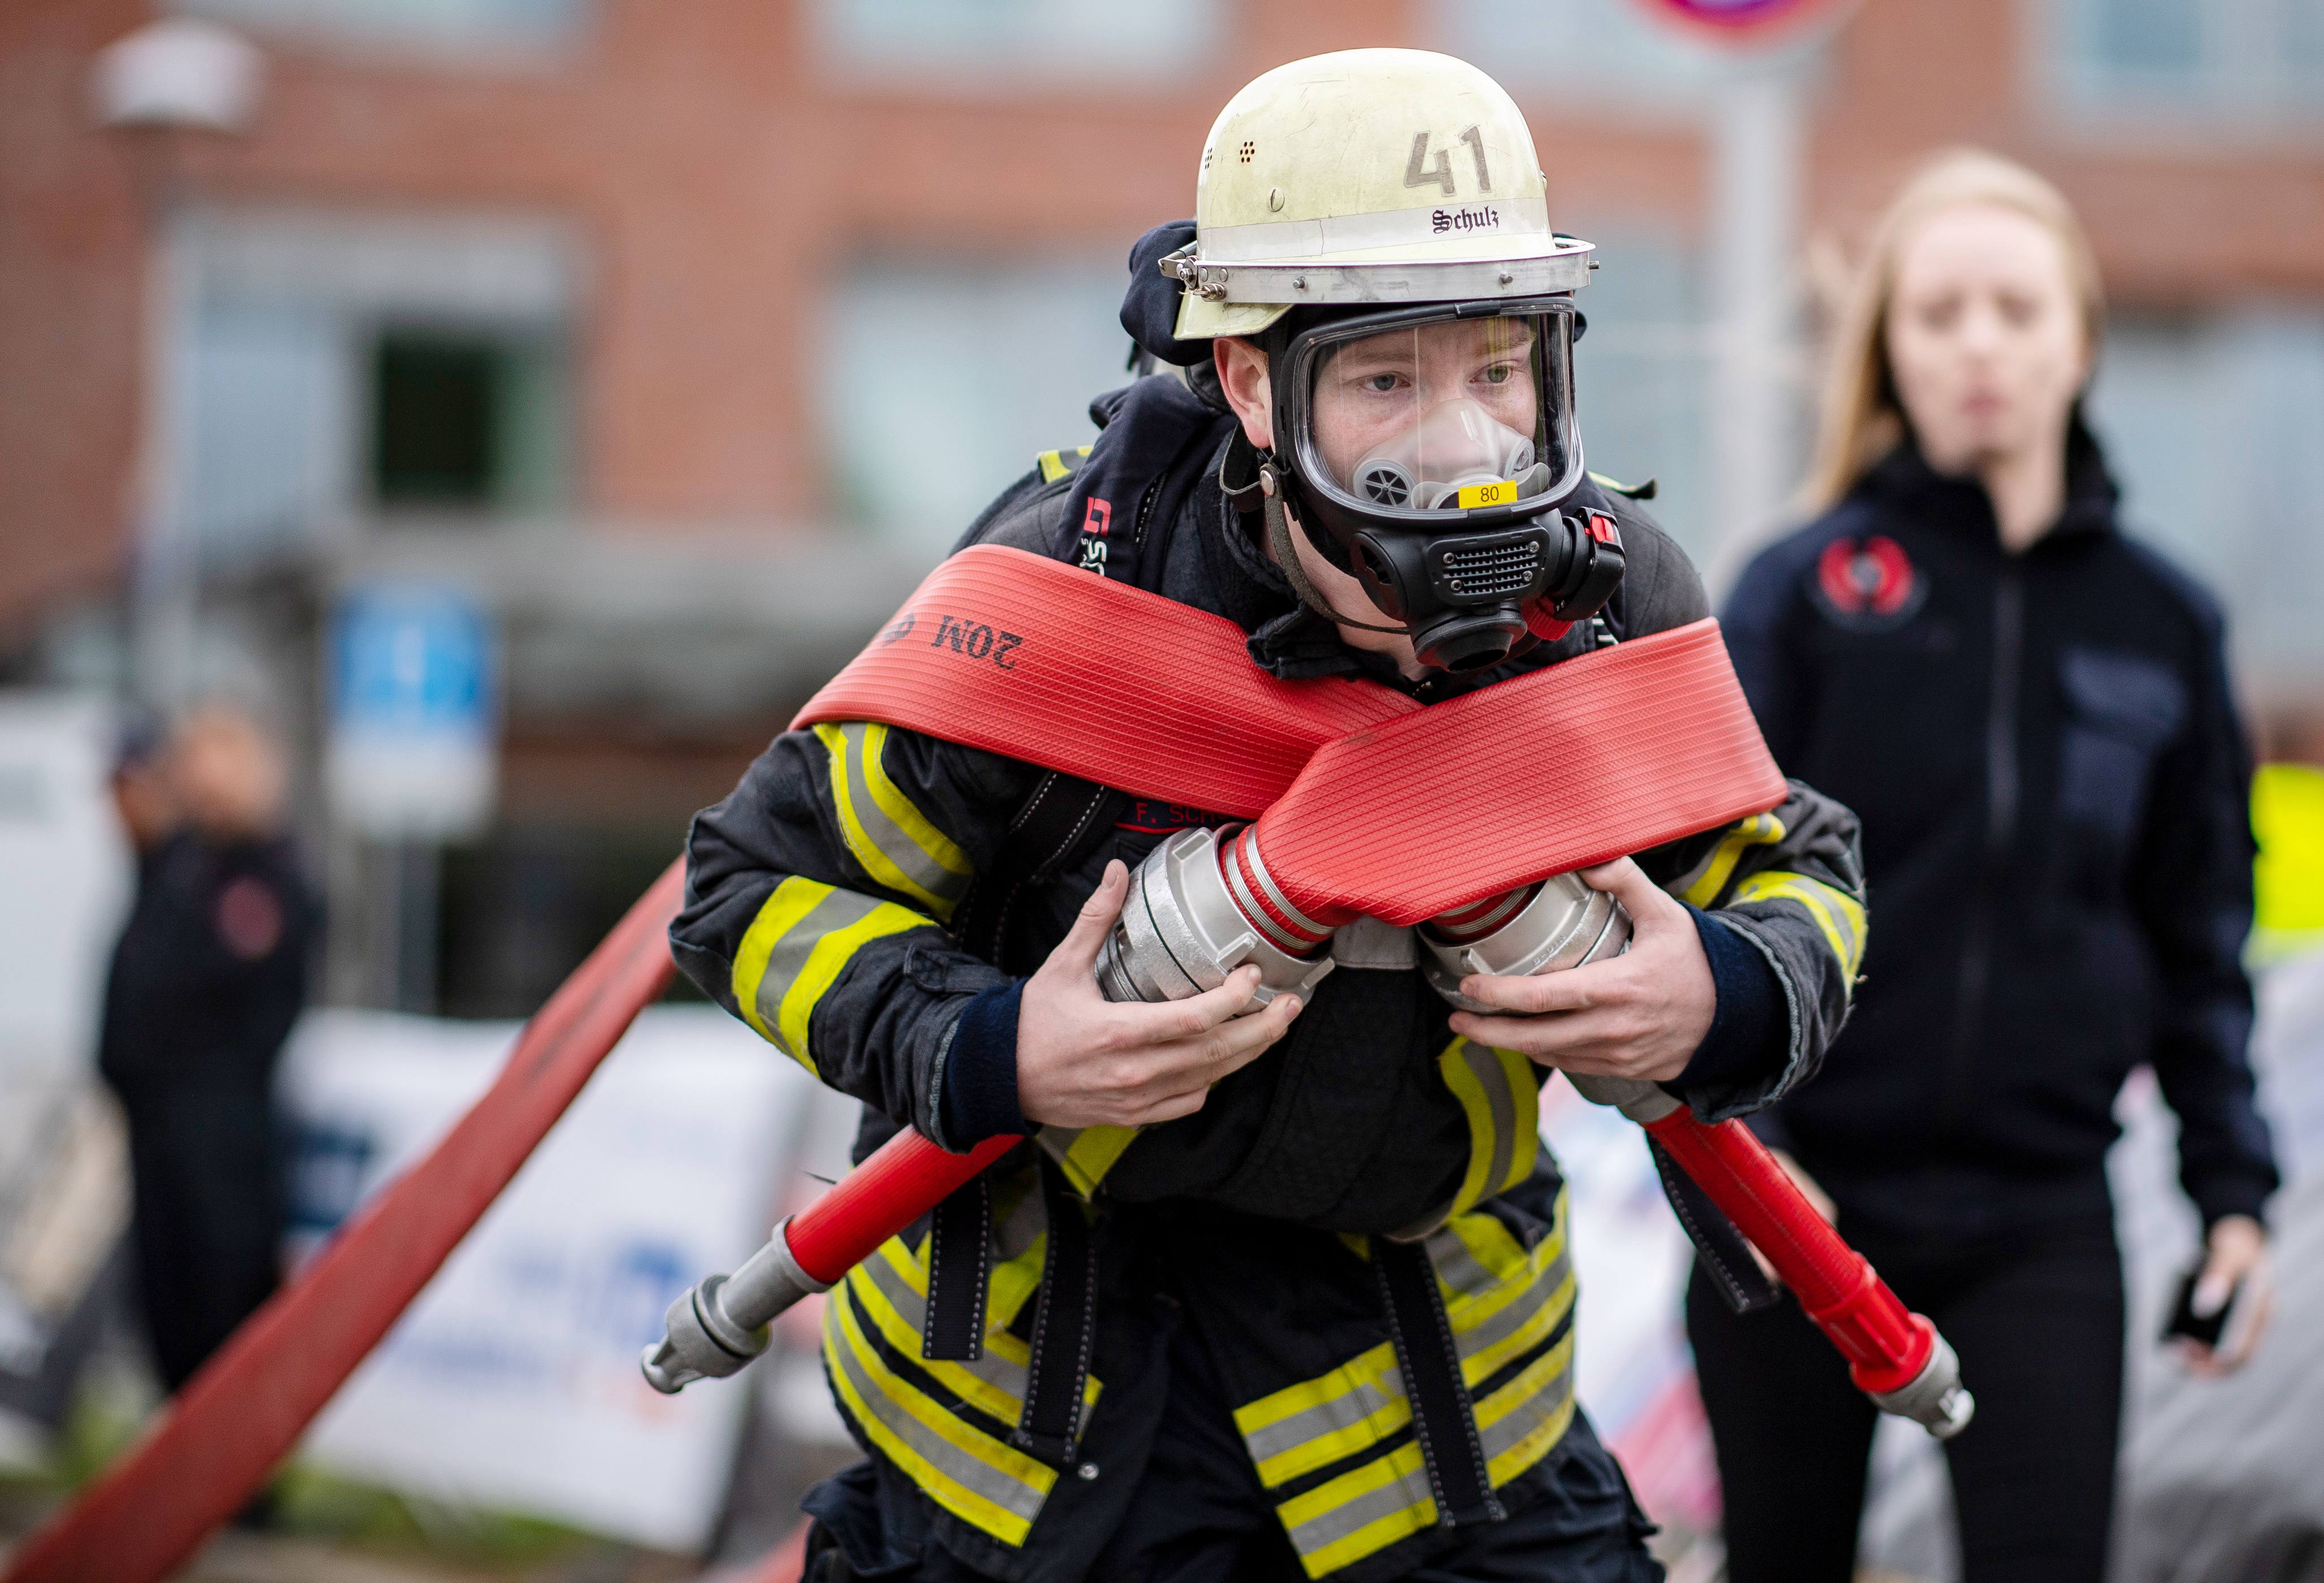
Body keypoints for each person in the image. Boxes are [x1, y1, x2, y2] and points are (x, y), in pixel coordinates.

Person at [675, 51, 1870, 1583]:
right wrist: (991, 1047)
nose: (1459, 453)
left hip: (1443, 1411)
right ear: (1248, 381)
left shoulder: (1614, 603)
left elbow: (1796, 871)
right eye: (1384, 380)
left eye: (1498, 368)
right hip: (1049, 1426)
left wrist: (1719, 991)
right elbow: (751, 890)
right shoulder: (1057, 598)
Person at [1697, 150, 2281, 1583]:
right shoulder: (1802, 589)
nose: (1977, 344)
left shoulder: (2163, 623)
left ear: (2077, 336)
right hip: (1800, 1207)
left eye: (2013, 309)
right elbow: (1697, 886)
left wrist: (2233, 1195)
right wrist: (1751, 1156)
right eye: (1938, 310)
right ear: (1889, 345)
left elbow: (2197, 931)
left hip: (2041, 1223)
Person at [97, 703, 318, 1397]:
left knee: (224, 1297)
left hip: (224, 1135)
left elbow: (226, 999)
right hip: (159, 1125)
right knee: (165, 1294)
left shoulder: (268, 877)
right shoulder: (182, 868)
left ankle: (241, 1479)